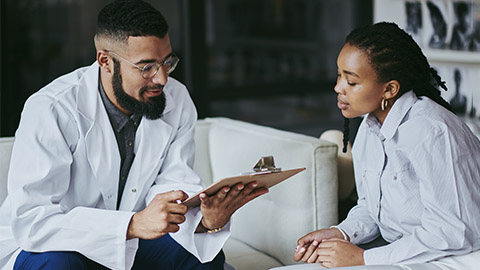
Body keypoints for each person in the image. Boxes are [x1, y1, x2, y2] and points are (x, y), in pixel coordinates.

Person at [0, 1, 268, 269]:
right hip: (55, 246)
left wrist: (206, 219)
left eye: (167, 62)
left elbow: (174, 185)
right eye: (147, 67)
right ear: (105, 61)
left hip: (133, 241)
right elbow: (33, 220)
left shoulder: (177, 98)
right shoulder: (51, 108)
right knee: (59, 264)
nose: (162, 78)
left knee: (203, 258)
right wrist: (131, 224)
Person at [286, 22, 480, 269]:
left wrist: (363, 258)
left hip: (453, 260)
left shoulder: (432, 131)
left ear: (389, 89)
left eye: (351, 82)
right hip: (401, 252)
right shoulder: (370, 127)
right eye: (339, 75)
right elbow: (371, 207)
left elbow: (452, 233)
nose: (338, 88)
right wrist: (341, 234)